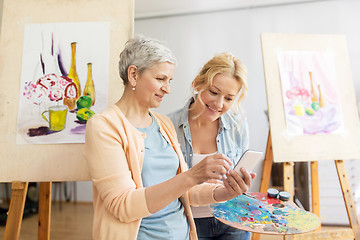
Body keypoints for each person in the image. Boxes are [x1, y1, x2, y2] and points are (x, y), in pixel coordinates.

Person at [85, 36, 255, 240]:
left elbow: (185, 192)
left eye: (169, 80)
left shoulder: (163, 124)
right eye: (160, 79)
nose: (168, 88)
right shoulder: (104, 126)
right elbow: (123, 206)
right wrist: (192, 175)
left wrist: (224, 193)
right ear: (133, 75)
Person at [169, 52, 252, 240]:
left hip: (232, 219)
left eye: (229, 98)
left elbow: (242, 173)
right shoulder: (169, 126)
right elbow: (165, 185)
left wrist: (242, 184)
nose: (219, 104)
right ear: (198, 83)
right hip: (188, 222)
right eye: (213, 92)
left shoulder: (238, 126)